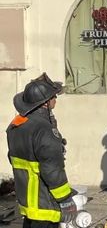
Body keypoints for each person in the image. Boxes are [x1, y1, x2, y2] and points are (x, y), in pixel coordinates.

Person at [7, 73, 76, 228]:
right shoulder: (44, 129)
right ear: (45, 103)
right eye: (53, 97)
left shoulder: (16, 125)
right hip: (44, 204)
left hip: (28, 204)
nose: (55, 99)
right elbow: (51, 169)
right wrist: (65, 199)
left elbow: (13, 158)